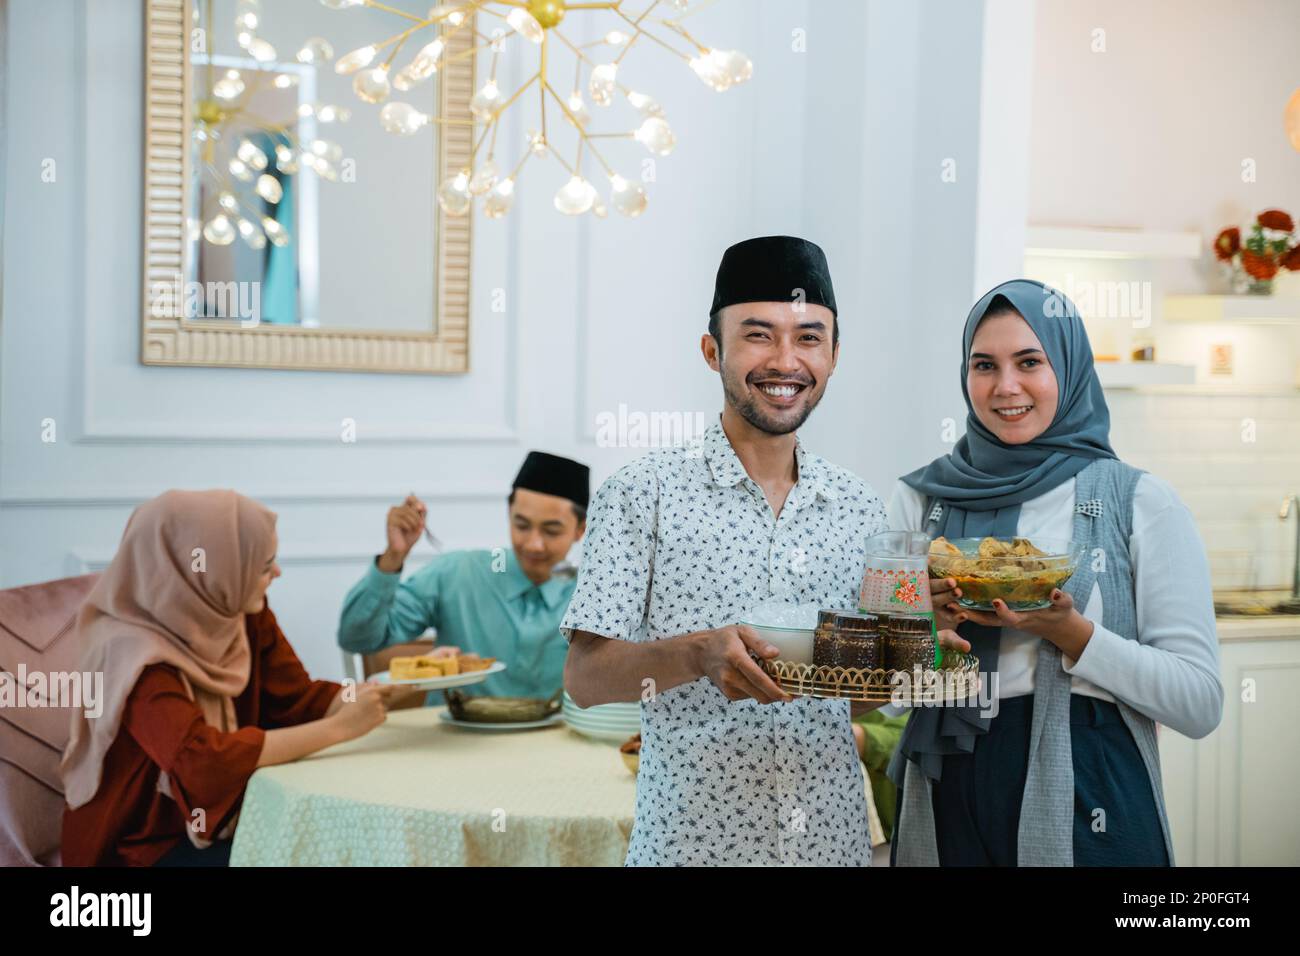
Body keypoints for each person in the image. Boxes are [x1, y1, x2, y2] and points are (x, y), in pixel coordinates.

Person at [562, 235, 968, 866]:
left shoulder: (862, 507)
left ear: (834, 355)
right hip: (691, 850)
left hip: (832, 847)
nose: (786, 360)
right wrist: (697, 653)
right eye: (759, 334)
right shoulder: (639, 495)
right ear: (711, 350)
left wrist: (921, 650)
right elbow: (584, 681)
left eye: (809, 337)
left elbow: (861, 693)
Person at [887, 279, 1223, 866]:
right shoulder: (917, 502)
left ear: (1067, 367)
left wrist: (1073, 635)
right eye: (984, 364)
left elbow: (1199, 703)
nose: (1005, 386)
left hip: (1091, 776)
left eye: (1030, 362)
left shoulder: (1139, 501)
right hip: (948, 781)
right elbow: (884, 692)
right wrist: (922, 633)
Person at [61, 490, 408, 866]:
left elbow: (294, 699)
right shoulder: (128, 654)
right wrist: (340, 729)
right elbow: (202, 762)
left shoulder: (239, 613)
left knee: (350, 845)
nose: (277, 573)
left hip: (240, 816)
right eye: (264, 566)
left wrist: (369, 695)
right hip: (146, 845)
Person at [337, 452, 590, 700]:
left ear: (580, 530)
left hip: (555, 739)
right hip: (453, 738)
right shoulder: (457, 574)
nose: (534, 544)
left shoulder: (592, 593)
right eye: (521, 526)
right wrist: (392, 558)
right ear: (509, 516)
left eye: (552, 531)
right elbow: (357, 638)